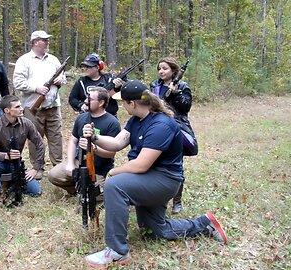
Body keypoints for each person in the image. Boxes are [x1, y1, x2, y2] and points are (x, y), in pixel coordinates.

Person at [82, 80, 227, 268]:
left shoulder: (161, 125)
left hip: (164, 180)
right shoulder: (136, 120)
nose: (121, 105)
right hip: (149, 177)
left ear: (132, 103)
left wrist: (113, 172)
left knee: (115, 185)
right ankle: (204, 224)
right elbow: (117, 143)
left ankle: (117, 252)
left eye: (123, 102)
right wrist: (95, 137)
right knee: (155, 229)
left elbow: (141, 165)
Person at [13, 30, 65, 179]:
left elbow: (62, 76)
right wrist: (36, 88)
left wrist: (60, 80)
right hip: (33, 108)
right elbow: (18, 82)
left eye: (47, 40)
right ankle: (38, 167)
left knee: (56, 137)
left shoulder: (53, 60)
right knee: (35, 138)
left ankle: (58, 167)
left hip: (53, 106)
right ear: (35, 42)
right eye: (44, 40)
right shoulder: (24, 60)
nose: (47, 42)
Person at [48, 87, 120, 195]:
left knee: (99, 196)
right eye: (87, 97)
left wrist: (93, 148)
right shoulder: (81, 118)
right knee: (53, 175)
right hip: (79, 163)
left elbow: (111, 153)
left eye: (90, 99)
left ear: (101, 103)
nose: (86, 100)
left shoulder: (112, 123)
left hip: (99, 169)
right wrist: (71, 164)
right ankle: (78, 190)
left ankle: (89, 192)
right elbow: (73, 141)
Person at [150, 57, 193, 214]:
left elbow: (186, 107)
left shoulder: (182, 86)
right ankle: (157, 198)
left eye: (165, 68)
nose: (161, 71)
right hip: (157, 128)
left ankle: (177, 201)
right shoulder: (154, 86)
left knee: (176, 165)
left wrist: (175, 93)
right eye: (159, 68)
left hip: (176, 129)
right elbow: (150, 104)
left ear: (173, 71)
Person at [0, 95, 44, 203]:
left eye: (20, 106)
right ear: (7, 110)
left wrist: (35, 168)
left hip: (17, 165)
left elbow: (40, 144)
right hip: (0, 164)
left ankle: (11, 183)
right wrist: (5, 155)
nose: (21, 109)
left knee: (36, 192)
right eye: (17, 107)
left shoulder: (26, 123)